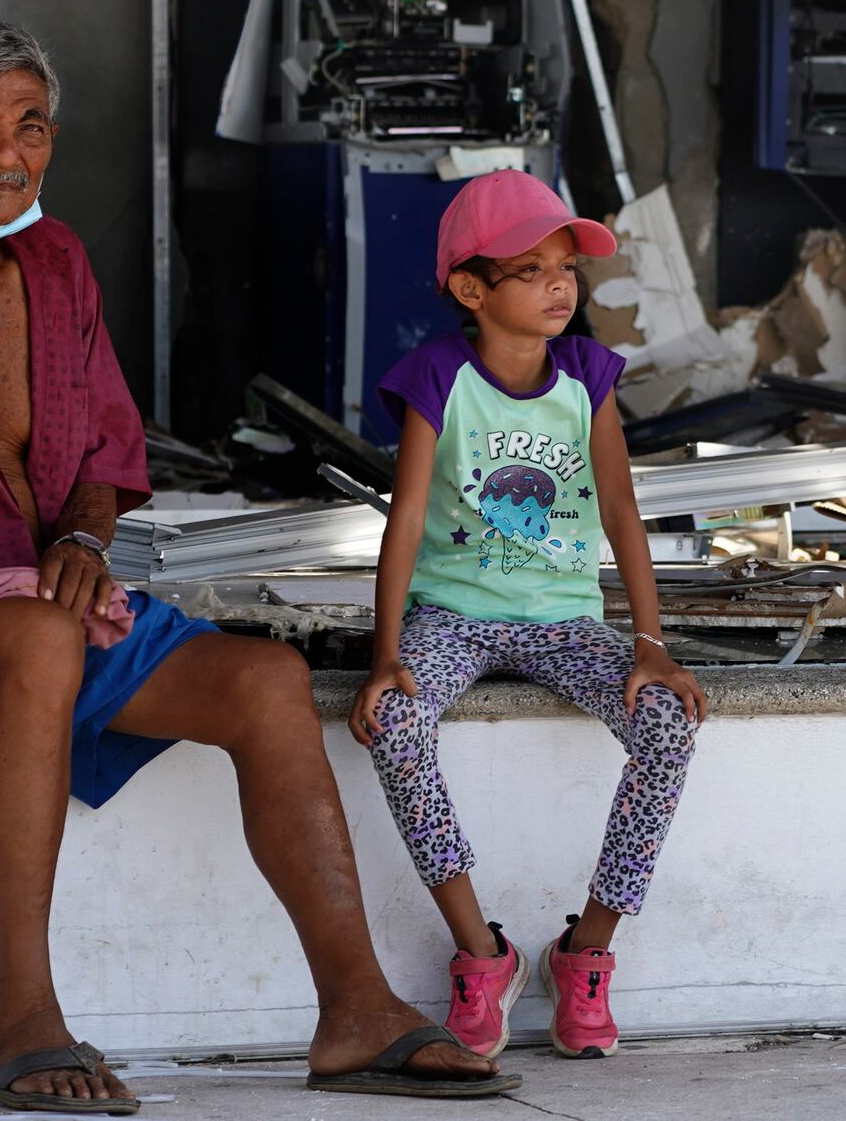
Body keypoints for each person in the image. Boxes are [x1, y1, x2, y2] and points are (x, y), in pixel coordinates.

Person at [0, 19, 518, 1110]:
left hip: (34, 597)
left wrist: (80, 538)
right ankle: (20, 1024)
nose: (3, 152)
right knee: (36, 635)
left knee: (262, 681)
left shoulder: (58, 262)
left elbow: (105, 461)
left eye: (29, 128)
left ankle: (355, 1012)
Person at [352, 169, 706, 1063]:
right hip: (453, 616)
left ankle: (587, 953)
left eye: (566, 268)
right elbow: (404, 519)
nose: (560, 284)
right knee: (395, 723)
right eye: (533, 268)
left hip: (563, 620)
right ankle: (484, 954)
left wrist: (650, 644)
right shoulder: (440, 375)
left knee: (666, 724)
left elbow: (622, 508)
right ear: (472, 289)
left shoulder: (587, 375)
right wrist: (387, 653)